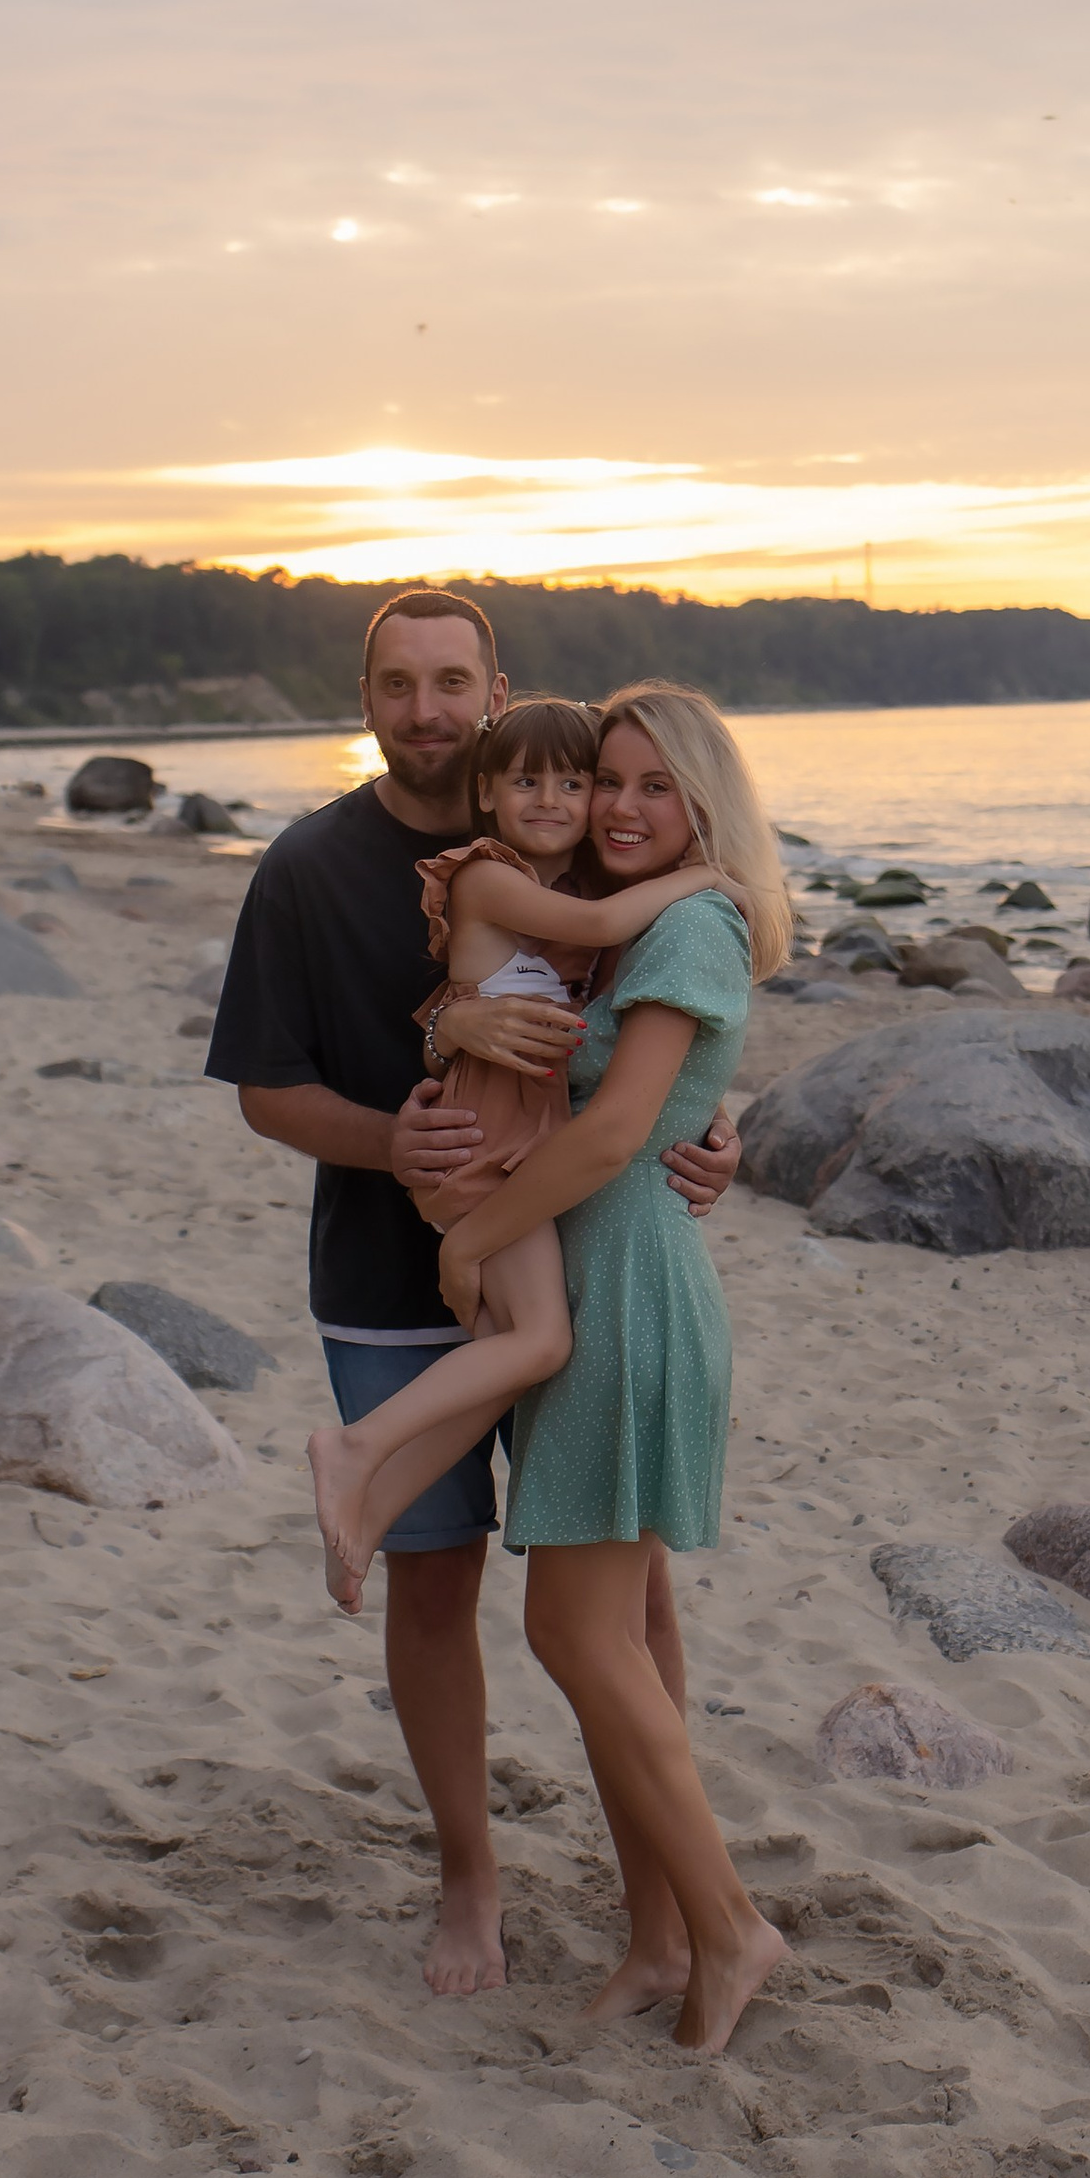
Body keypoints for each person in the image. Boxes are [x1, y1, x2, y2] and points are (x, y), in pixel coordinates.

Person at [205, 592, 740, 1997]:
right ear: (365, 696)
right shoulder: (309, 869)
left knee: (633, 1607)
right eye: (399, 683)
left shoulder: (577, 833)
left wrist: (716, 1131)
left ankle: (662, 1914)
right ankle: (469, 1882)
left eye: (454, 682)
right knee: (433, 1588)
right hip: (395, 1272)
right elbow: (265, 1090)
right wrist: (403, 1128)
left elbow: (648, 1048)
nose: (428, 708)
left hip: (574, 1247)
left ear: (496, 690)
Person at [433, 682, 792, 2058]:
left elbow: (611, 1134)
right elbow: (529, 1046)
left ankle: (729, 1926)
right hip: (602, 1272)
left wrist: (471, 1241)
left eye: (658, 788)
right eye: (612, 783)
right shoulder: (613, 925)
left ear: (706, 808)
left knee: (576, 1634)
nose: (626, 809)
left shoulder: (690, 924)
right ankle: (659, 1937)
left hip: (626, 1285)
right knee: (622, 1636)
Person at [307, 694, 738, 1609]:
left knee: (507, 1355)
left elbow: (621, 1029)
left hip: (516, 1134)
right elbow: (599, 936)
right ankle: (356, 1448)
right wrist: (710, 879)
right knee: (540, 1341)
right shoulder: (488, 874)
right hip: (490, 1141)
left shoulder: (570, 886)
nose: (559, 798)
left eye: (574, 782)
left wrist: (709, 1107)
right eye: (529, 780)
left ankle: (370, 1504)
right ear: (489, 793)